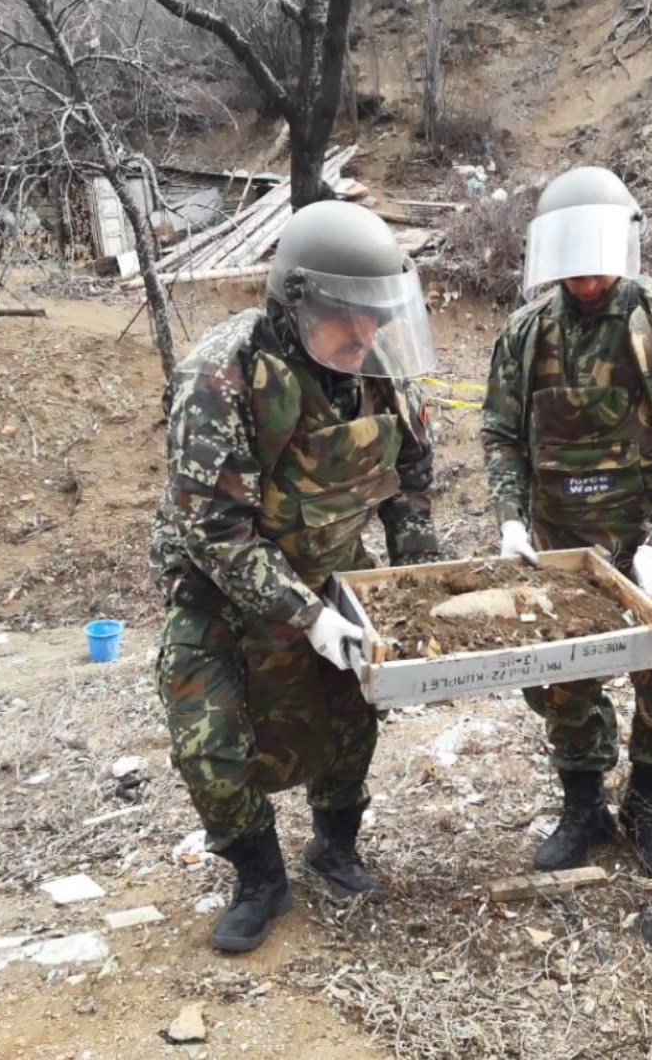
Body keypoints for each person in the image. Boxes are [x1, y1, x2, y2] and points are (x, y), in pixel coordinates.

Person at [148, 200, 442, 952]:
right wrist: (306, 616)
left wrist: (420, 586)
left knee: (350, 721)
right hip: (221, 589)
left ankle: (334, 847)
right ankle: (258, 878)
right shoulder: (221, 378)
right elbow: (215, 529)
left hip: (336, 573)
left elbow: (410, 479)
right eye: (348, 316)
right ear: (296, 302)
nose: (366, 335)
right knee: (208, 741)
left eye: (377, 317)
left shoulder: (381, 372)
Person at [480, 166, 652, 878]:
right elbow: (501, 433)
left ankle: (647, 800)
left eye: (598, 271)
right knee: (562, 684)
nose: (586, 285)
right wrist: (509, 520)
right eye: (573, 273)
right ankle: (583, 803)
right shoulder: (526, 333)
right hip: (561, 543)